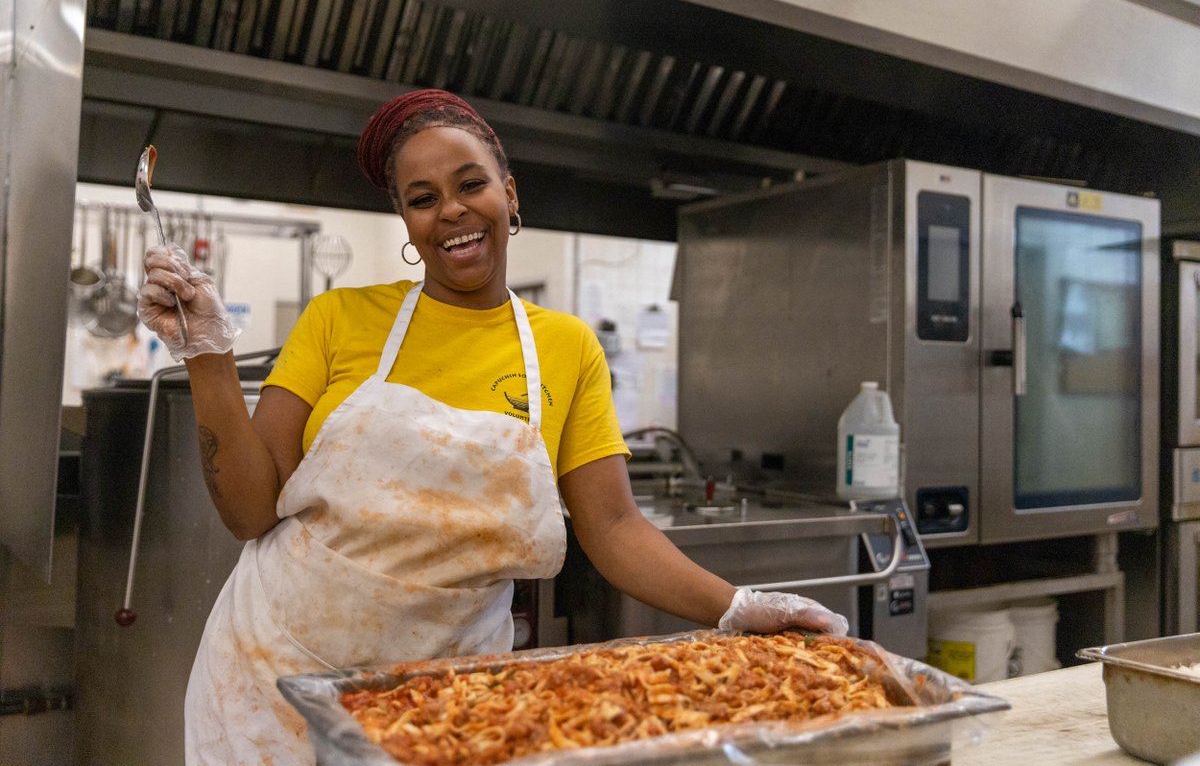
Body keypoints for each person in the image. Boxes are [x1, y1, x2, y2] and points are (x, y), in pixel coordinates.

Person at [137, 89, 848, 765]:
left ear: (509, 193)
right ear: (407, 222)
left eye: (470, 184)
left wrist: (737, 606)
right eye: (422, 199)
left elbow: (614, 527)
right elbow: (250, 512)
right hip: (276, 673)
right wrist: (209, 357)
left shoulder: (567, 348)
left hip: (450, 693)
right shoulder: (339, 319)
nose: (450, 210)